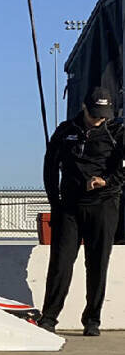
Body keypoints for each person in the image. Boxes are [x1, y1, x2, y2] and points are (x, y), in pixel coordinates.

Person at [38, 87, 124, 336]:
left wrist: (106, 180)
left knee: (97, 264)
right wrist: (55, 202)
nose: (99, 118)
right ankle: (49, 317)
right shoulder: (65, 131)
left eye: (104, 113)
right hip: (70, 207)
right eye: (95, 112)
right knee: (61, 263)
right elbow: (50, 167)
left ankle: (92, 319)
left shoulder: (117, 132)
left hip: (104, 205)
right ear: (85, 107)